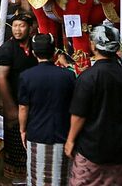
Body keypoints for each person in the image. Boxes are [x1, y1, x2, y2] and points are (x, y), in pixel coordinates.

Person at [66, 24, 122, 186]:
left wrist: (70, 140)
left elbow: (79, 115)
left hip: (91, 148)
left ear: (93, 46)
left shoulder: (88, 77)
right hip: (118, 149)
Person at [18, 34, 75, 186]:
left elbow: (23, 107)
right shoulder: (68, 76)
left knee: (37, 176)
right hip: (63, 133)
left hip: (37, 132)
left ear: (34, 53)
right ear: (54, 53)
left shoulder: (26, 76)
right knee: (61, 176)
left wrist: (22, 130)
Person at [0, 12, 37, 179]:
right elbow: (1, 78)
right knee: (16, 143)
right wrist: (10, 106)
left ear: (30, 28)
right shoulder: (7, 50)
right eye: (15, 26)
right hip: (16, 101)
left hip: (32, 101)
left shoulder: (34, 45)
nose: (18, 30)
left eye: (22, 26)